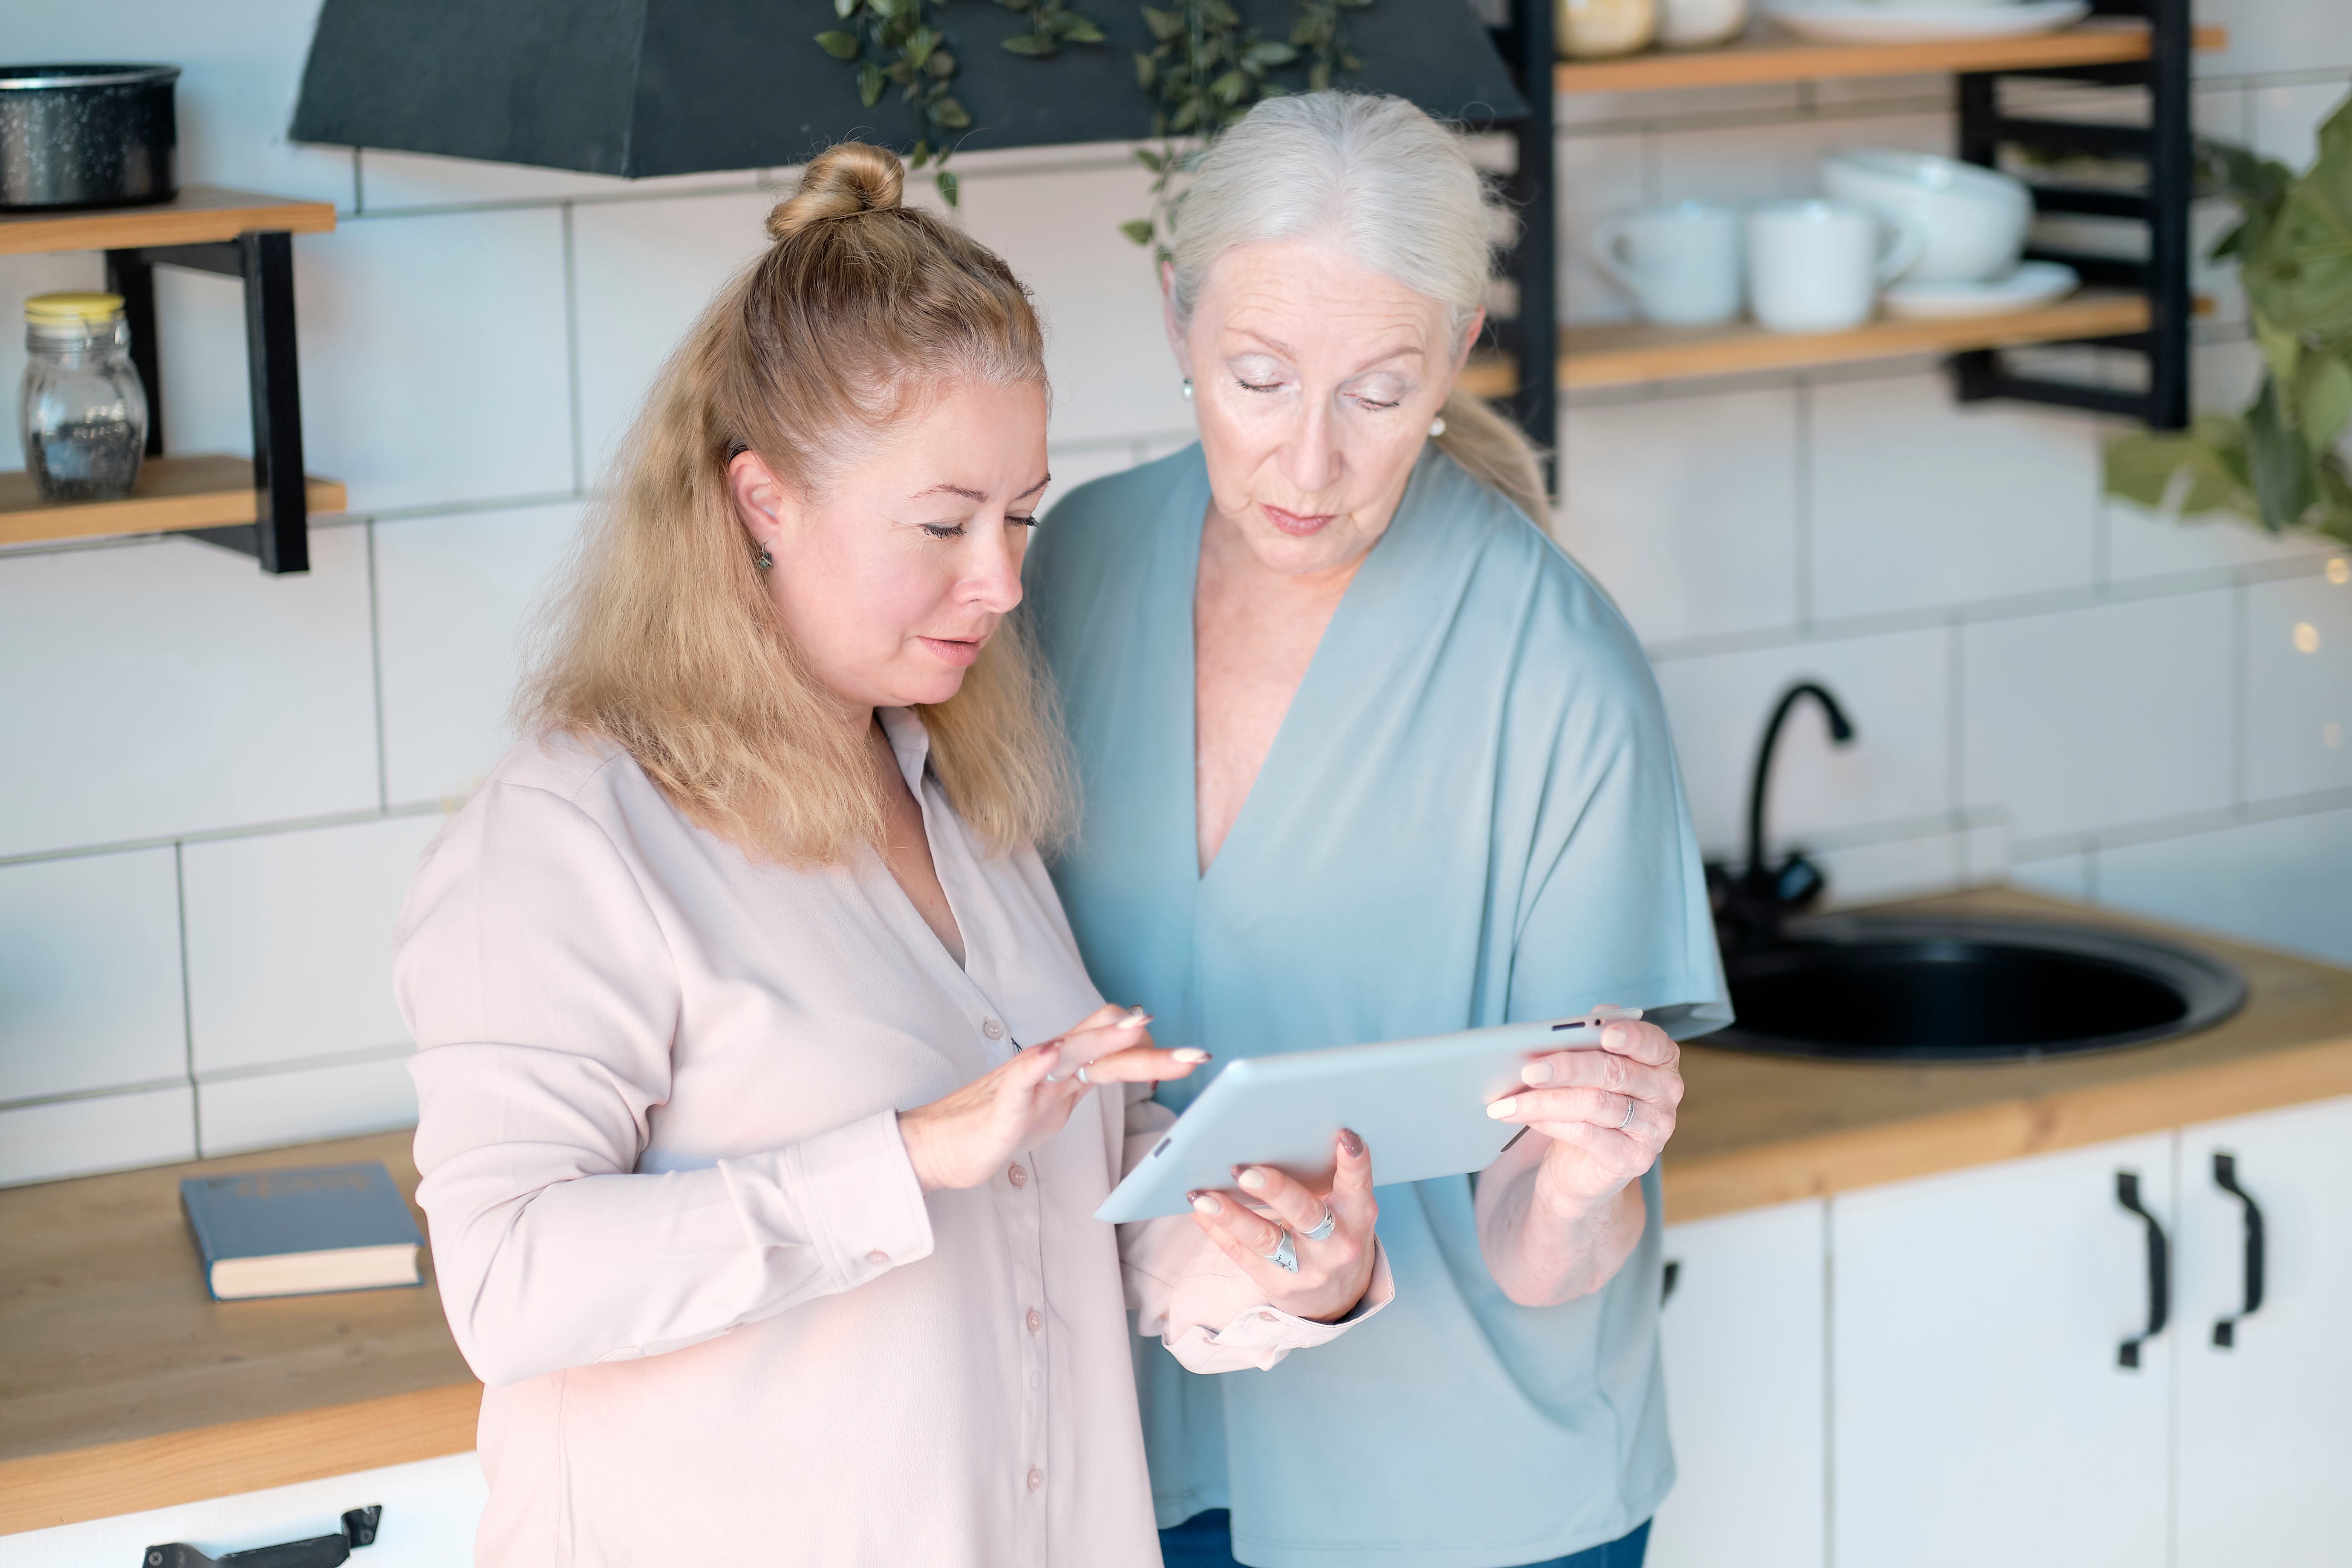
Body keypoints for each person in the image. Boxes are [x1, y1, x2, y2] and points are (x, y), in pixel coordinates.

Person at [392, 141, 1387, 1568]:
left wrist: (1290, 1266)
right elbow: (510, 1285)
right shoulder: (568, 837)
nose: (1002, 581)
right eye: (943, 524)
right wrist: (908, 1156)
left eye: (1021, 516)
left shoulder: (953, 792)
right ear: (761, 503)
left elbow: (1048, 1223)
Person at [1024, 93, 1732, 1568]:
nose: (1307, 462)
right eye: (1259, 377)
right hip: (1136, 1461)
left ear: (1457, 353)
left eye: (1377, 389)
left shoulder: (1557, 671)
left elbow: (1544, 1243)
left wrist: (1594, 1174)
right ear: (1177, 318)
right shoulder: (1074, 565)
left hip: (1463, 1494)